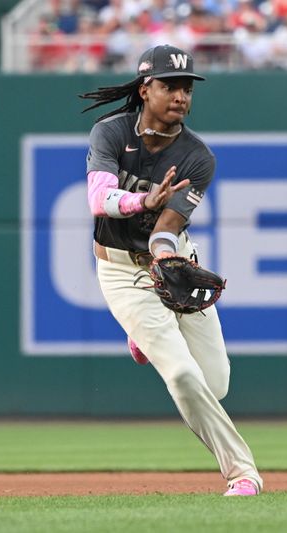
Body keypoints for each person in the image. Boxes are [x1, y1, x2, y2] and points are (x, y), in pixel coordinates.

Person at [78, 44, 263, 497]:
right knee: (181, 375)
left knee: (213, 386)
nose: (181, 95)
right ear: (146, 89)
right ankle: (243, 473)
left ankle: (142, 337)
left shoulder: (199, 157)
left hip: (172, 260)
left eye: (186, 88)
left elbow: (167, 228)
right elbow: (97, 200)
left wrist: (166, 257)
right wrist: (142, 200)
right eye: (169, 86)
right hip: (121, 270)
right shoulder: (110, 133)